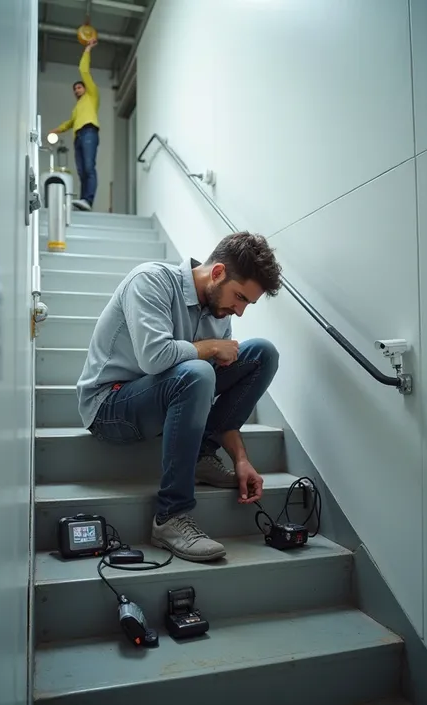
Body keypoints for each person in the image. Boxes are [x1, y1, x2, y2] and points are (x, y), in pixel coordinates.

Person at [76, 232, 282, 563]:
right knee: (198, 372)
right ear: (217, 273)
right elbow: (154, 358)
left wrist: (241, 458)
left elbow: (208, 390)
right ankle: (170, 517)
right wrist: (213, 347)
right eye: (240, 297)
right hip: (109, 405)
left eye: (247, 304)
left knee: (262, 354)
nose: (239, 312)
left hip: (165, 398)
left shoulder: (220, 312)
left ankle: (201, 455)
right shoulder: (151, 280)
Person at [50, 39, 99, 211]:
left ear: (85, 89)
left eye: (79, 87)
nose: (77, 90)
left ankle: (88, 200)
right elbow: (69, 123)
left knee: (88, 167)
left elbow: (83, 70)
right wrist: (55, 130)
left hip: (89, 132)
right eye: (75, 89)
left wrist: (87, 50)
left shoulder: (91, 96)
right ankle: (84, 202)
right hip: (78, 136)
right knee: (81, 172)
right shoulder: (77, 108)